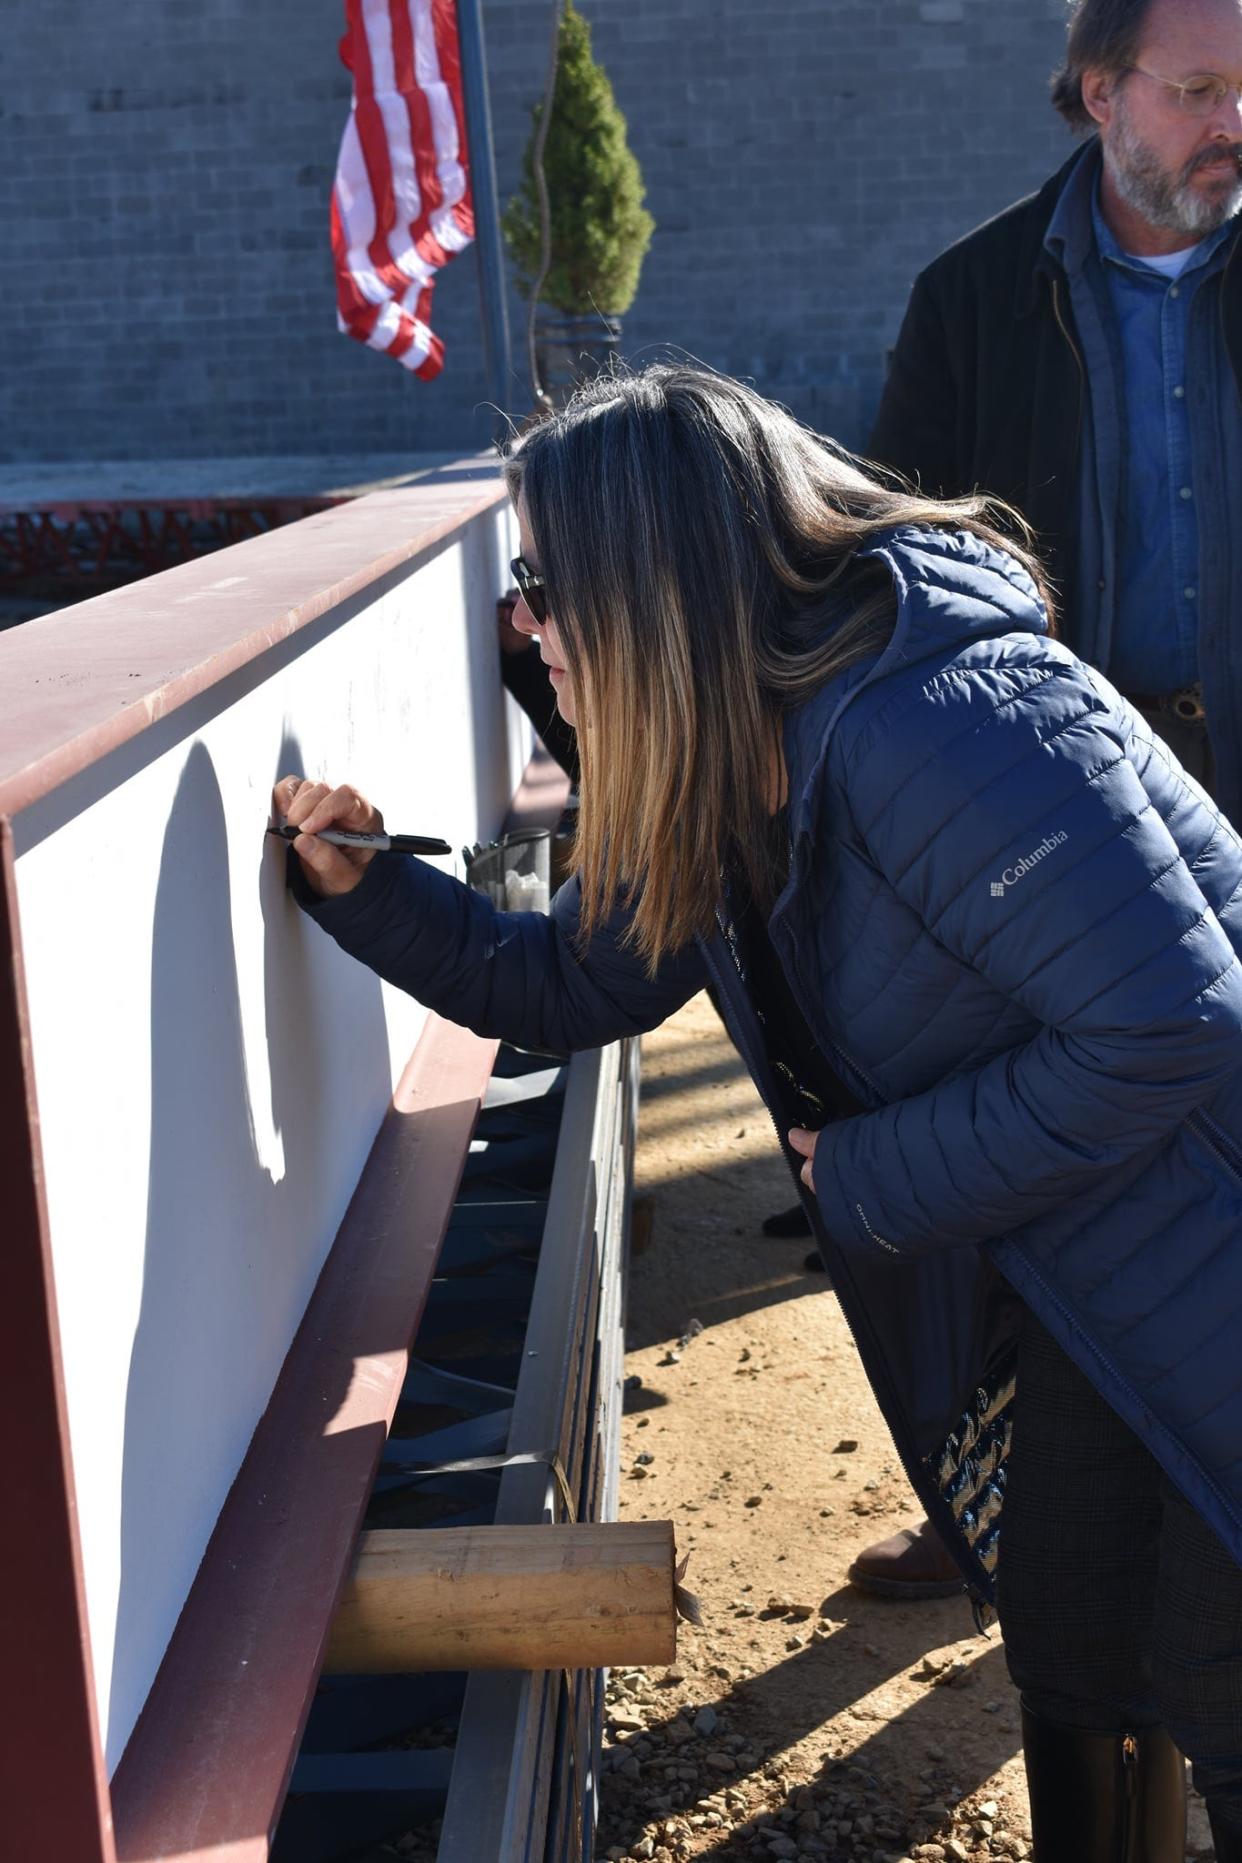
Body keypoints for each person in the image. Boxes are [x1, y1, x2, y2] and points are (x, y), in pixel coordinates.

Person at [275, 365, 1242, 1860]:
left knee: (1213, 1669)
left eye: (541, 581)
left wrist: (863, 1173)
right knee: (1075, 1640)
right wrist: (367, 894)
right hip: (1078, 1266)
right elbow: (575, 986)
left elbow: (1170, 1028)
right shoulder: (719, 751)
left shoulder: (947, 719)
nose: (525, 624)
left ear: (650, 581)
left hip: (1198, 1233)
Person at [852, 0, 1242, 1615]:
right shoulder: (972, 297)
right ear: (1097, 93)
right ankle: (989, 1510)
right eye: (1201, 87)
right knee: (1022, 1157)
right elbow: (900, 557)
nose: (1234, 119)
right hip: (1056, 813)